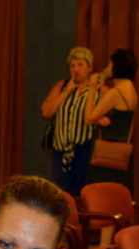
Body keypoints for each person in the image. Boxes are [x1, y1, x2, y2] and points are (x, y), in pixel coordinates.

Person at [41, 47, 98, 195]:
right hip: (60, 150)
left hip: (84, 149)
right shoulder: (62, 85)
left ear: (90, 67)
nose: (76, 69)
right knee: (61, 193)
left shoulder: (97, 89)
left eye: (80, 65)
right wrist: (66, 92)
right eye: (72, 65)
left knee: (83, 193)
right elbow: (46, 111)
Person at [85, 49, 139, 189]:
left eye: (110, 64)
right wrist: (101, 118)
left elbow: (88, 118)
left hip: (107, 158)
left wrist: (92, 89)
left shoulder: (116, 92)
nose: (108, 68)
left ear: (117, 66)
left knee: (103, 194)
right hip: (120, 155)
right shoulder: (130, 89)